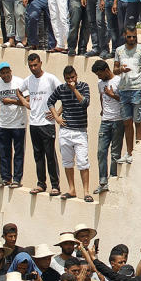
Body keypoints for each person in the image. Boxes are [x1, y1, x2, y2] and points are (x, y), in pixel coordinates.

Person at [46, 66, 92, 202]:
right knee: (67, 161)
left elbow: (85, 103)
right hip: (66, 130)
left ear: (76, 76)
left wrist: (74, 89)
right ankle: (71, 189)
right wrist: (57, 117)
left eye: (73, 77)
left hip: (80, 130)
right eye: (68, 78)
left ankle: (86, 191)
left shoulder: (84, 86)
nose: (71, 80)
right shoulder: (61, 88)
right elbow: (50, 102)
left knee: (83, 161)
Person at [21, 54, 61, 195]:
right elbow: (18, 91)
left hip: (47, 123)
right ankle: (41, 184)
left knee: (50, 155)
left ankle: (55, 185)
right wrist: (25, 102)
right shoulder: (28, 80)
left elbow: (65, 93)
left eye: (35, 65)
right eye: (31, 66)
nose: (33, 68)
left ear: (41, 63)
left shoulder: (50, 78)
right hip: (34, 123)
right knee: (38, 155)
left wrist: (57, 113)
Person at [113, 28, 141, 164]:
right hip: (123, 89)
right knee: (127, 122)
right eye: (129, 37)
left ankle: (138, 152)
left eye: (134, 37)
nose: (132, 39)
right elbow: (114, 70)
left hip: (137, 88)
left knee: (138, 121)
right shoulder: (119, 51)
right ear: (124, 35)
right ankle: (129, 152)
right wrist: (121, 70)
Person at [0, 62, 27, 187]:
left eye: (7, 72)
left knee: (18, 153)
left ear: (11, 71)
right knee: (4, 153)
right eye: (3, 73)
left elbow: (27, 101)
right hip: (3, 124)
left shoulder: (19, 82)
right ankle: (6, 178)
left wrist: (11, 101)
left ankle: (17, 179)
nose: (6, 75)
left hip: (18, 124)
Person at [90, 61, 122, 194]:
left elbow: (124, 99)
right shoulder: (100, 83)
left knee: (115, 153)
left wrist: (111, 94)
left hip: (118, 121)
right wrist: (103, 109)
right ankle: (103, 180)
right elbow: (101, 97)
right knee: (101, 151)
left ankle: (113, 179)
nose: (98, 77)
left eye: (100, 74)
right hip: (105, 121)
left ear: (106, 70)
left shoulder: (118, 81)